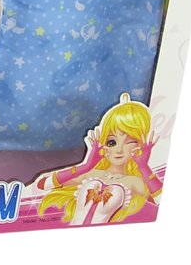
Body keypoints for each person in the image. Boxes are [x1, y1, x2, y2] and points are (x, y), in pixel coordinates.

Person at [35, 93, 162, 225]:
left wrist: (144, 167)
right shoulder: (90, 174)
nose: (119, 150)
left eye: (130, 142)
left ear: (141, 144)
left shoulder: (135, 182)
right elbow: (43, 184)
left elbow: (162, 202)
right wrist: (86, 166)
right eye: (112, 142)